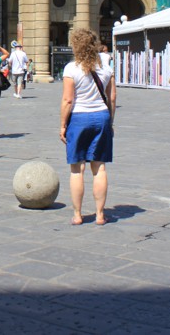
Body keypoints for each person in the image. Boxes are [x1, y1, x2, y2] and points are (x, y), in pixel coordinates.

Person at [59, 28, 115, 226]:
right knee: (99, 167)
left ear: (76, 45)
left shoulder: (71, 69)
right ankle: (100, 215)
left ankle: (77, 214)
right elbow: (112, 98)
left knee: (77, 169)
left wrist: (63, 124)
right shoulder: (107, 69)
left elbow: (67, 100)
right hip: (101, 117)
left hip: (79, 118)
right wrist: (111, 122)